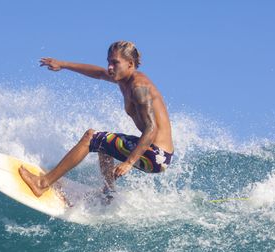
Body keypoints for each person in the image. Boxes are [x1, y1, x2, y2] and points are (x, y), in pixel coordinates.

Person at [19, 41, 174, 198]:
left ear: (130, 64)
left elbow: (151, 128)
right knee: (104, 144)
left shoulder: (139, 87)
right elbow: (99, 73)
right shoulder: (123, 79)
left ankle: (42, 184)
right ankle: (108, 194)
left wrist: (129, 162)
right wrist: (63, 64)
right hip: (156, 153)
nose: (110, 67)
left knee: (92, 137)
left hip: (156, 155)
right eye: (108, 62)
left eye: (115, 62)